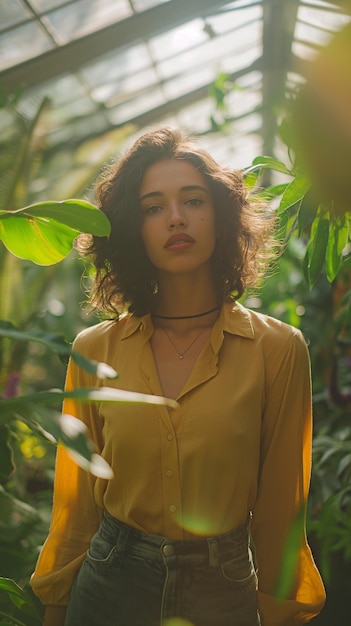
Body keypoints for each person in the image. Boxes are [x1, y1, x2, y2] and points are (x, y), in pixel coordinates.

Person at [31, 127, 325, 626]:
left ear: (221, 217)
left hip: (224, 591)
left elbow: (281, 512)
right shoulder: (94, 350)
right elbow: (75, 508)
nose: (175, 218)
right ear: (131, 227)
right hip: (109, 585)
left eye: (193, 200)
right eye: (153, 207)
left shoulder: (277, 350)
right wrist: (55, 610)